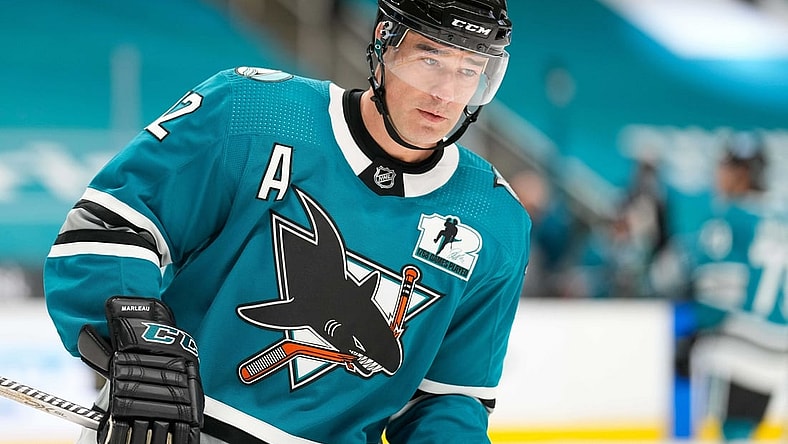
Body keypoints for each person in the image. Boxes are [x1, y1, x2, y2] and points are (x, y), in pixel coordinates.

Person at [43, 1, 530, 443]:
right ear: (385, 42)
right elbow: (112, 226)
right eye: (430, 60)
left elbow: (446, 397)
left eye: (470, 71)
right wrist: (141, 344)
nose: (446, 94)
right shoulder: (248, 109)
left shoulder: (496, 223)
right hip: (169, 431)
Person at [681, 131, 788, 442]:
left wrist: (696, 329)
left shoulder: (729, 217)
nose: (719, 175)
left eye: (725, 167)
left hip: (740, 346)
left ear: (741, 174)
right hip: (780, 348)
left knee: (730, 434)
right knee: (745, 433)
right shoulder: (781, 217)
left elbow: (716, 294)